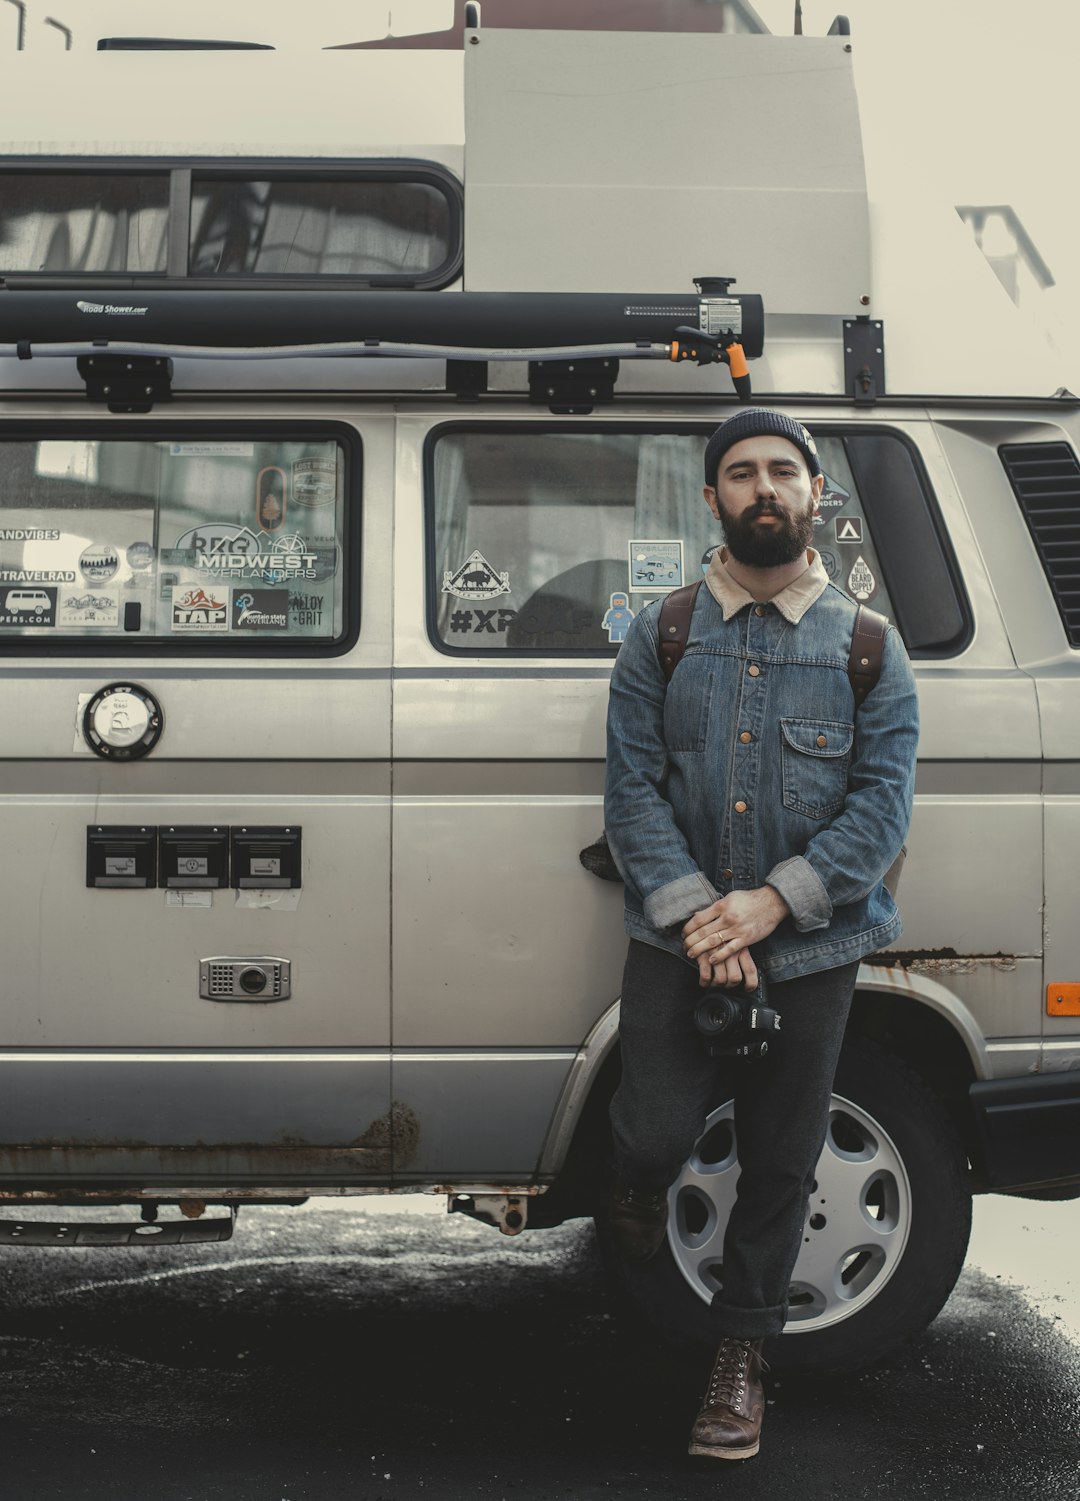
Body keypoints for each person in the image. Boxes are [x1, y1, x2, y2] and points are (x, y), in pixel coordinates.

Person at [602, 408, 919, 1462]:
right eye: (742, 473)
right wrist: (704, 912)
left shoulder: (871, 647)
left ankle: (740, 1361)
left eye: (784, 470)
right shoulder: (664, 632)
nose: (764, 488)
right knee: (649, 1128)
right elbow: (631, 795)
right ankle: (639, 1189)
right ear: (712, 498)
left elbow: (881, 809)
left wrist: (770, 904)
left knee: (782, 1160)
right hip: (678, 941)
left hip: (814, 949)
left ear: (815, 493)